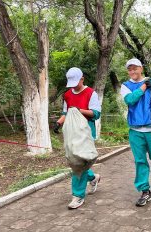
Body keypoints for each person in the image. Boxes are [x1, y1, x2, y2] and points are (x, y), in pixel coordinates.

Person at [53, 67, 102, 209]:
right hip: (73, 133)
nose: (74, 86)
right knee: (77, 162)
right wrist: (58, 123)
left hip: (86, 133)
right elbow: (66, 112)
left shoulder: (90, 93)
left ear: (82, 79)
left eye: (76, 82)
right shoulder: (68, 95)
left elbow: (96, 114)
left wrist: (78, 110)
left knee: (79, 162)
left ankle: (78, 196)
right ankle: (93, 177)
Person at [121, 58, 151, 207]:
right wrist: (142, 88)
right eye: (129, 69)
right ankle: (145, 191)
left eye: (135, 68)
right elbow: (130, 100)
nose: (132, 71)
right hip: (135, 131)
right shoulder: (126, 86)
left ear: (141, 68)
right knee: (140, 161)